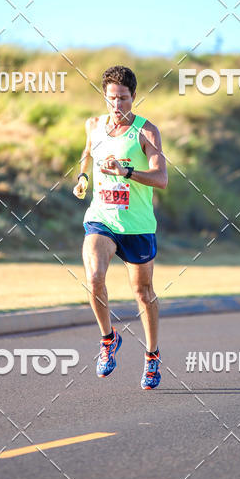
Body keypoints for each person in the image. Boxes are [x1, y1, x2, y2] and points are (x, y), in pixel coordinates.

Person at [73, 65, 168, 389]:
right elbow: (87, 153)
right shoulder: (93, 125)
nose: (117, 106)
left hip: (138, 225)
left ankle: (152, 355)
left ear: (134, 97)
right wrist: (83, 177)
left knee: (142, 293)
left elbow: (161, 179)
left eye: (124, 99)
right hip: (102, 218)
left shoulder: (147, 131)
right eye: (112, 98)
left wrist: (126, 173)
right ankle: (108, 339)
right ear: (104, 96)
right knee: (93, 277)